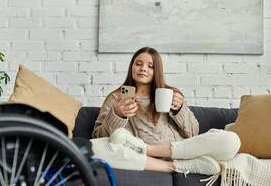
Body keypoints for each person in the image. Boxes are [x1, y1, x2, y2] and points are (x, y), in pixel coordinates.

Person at [90, 47, 240, 175]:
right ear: (131, 67)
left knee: (231, 141)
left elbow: (193, 133)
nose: (143, 68)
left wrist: (180, 110)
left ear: (158, 71)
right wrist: (117, 115)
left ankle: (147, 149)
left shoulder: (172, 95)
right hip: (141, 160)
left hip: (177, 152)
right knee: (93, 148)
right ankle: (174, 167)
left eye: (150, 66)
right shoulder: (116, 98)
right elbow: (99, 137)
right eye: (138, 64)